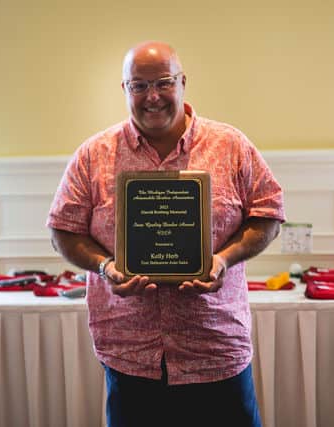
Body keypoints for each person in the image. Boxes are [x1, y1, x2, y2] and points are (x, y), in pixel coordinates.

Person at [47, 41, 285, 427]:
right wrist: (106, 267)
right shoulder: (93, 155)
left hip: (216, 347)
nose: (152, 96)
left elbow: (269, 215)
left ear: (183, 82)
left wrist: (222, 260)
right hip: (130, 353)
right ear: (124, 90)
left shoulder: (231, 146)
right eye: (138, 86)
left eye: (163, 83)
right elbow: (63, 231)